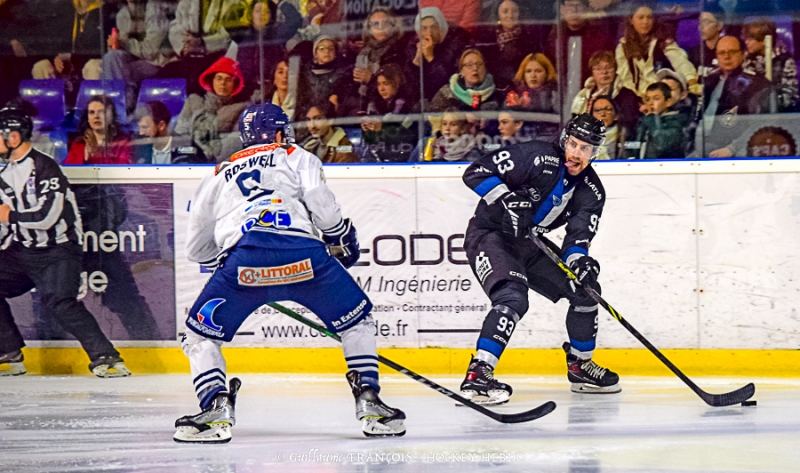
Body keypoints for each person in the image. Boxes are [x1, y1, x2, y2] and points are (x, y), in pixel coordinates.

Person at [173, 103, 405, 443]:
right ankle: (370, 401)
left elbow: (196, 245)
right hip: (305, 258)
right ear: (280, 133)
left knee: (198, 335)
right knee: (358, 321)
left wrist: (226, 262)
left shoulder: (220, 172)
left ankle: (215, 408)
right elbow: (319, 203)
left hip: (245, 261)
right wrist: (338, 234)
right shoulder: (297, 155)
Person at [458, 113, 619, 405]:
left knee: (586, 292)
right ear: (564, 140)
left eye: (585, 149)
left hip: (529, 244)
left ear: (594, 153)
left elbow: (577, 240)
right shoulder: (535, 156)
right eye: (573, 144)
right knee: (512, 297)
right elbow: (475, 172)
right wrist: (506, 198)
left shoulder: (591, 192)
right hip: (490, 234)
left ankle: (580, 366)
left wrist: (580, 263)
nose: (576, 154)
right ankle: (478, 373)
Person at [0, 107, 130, 378]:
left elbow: (48, 217)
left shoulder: (45, 167)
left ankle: (107, 357)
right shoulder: (3, 170)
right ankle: (8, 353)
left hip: (59, 250)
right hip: (22, 250)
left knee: (61, 302)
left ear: (13, 137)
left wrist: (9, 215)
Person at [696, 36, 771, 158]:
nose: (727, 56)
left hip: (736, 155)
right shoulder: (709, 81)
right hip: (703, 153)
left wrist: (732, 149)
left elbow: (761, 124)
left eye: (732, 52)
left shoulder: (757, 83)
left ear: (743, 54)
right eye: (722, 53)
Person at [174, 56, 250, 162]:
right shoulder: (193, 101)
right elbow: (181, 132)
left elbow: (235, 141)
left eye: (228, 79)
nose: (222, 83)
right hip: (190, 162)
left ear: (235, 84)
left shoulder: (242, 108)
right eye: (219, 78)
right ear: (211, 80)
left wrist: (205, 155)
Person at [615, 4, 698, 98]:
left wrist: (691, 79)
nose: (645, 22)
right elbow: (626, 80)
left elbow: (680, 61)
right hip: (637, 98)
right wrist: (643, 99)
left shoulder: (664, 41)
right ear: (631, 20)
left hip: (662, 96)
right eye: (641, 17)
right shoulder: (623, 46)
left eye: (649, 17)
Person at [571, 50, 642, 132]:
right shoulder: (582, 96)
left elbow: (630, 124)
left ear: (615, 70)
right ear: (592, 72)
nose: (604, 72)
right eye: (598, 68)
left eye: (609, 68)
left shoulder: (627, 95)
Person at [361, 64, 416, 163]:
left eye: (386, 83)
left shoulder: (408, 106)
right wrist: (367, 130)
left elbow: (407, 136)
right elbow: (370, 141)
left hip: (404, 159)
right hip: (379, 157)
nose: (381, 89)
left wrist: (382, 127)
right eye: (378, 84)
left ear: (396, 83)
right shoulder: (374, 105)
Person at [742, 20, 798, 113]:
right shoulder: (748, 61)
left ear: (764, 40)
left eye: (750, 38)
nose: (746, 42)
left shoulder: (785, 61)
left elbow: (790, 97)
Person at [65, 95, 133, 165]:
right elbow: (68, 170)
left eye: (102, 112)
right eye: (92, 112)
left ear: (112, 116)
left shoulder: (123, 142)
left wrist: (96, 153)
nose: (96, 116)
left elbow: (120, 171)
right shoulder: (79, 143)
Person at [134, 101, 207, 164]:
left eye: (145, 127)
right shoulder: (139, 148)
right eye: (139, 127)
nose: (141, 133)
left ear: (161, 125)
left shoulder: (187, 146)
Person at [431, 49, 503, 113]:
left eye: (479, 64)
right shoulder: (446, 93)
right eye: (469, 65)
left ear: (485, 69)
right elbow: (434, 116)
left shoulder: (497, 94)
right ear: (461, 71)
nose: (475, 68)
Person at [634, 82, 688, 158]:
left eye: (656, 98)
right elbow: (634, 145)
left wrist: (651, 117)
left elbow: (661, 143)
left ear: (668, 102)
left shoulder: (676, 123)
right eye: (647, 99)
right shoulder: (644, 121)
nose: (650, 103)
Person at [688, 6, 725, 77]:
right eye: (700, 22)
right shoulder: (694, 52)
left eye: (706, 22)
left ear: (719, 25)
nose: (701, 26)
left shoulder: (727, 50)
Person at [589, 96, 628, 160]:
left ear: (616, 116)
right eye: (597, 110)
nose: (603, 114)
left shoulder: (624, 134)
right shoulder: (584, 137)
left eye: (608, 109)